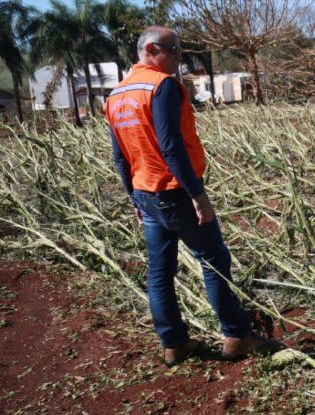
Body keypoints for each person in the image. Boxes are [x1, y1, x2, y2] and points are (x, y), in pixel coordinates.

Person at [106, 26, 276, 366]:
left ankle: (174, 344)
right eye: (174, 50)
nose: (180, 57)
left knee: (159, 272)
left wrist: (134, 199)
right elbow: (171, 147)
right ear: (151, 50)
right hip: (176, 193)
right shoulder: (162, 86)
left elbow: (119, 157)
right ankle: (237, 337)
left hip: (146, 194)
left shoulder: (116, 95)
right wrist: (197, 195)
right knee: (214, 261)